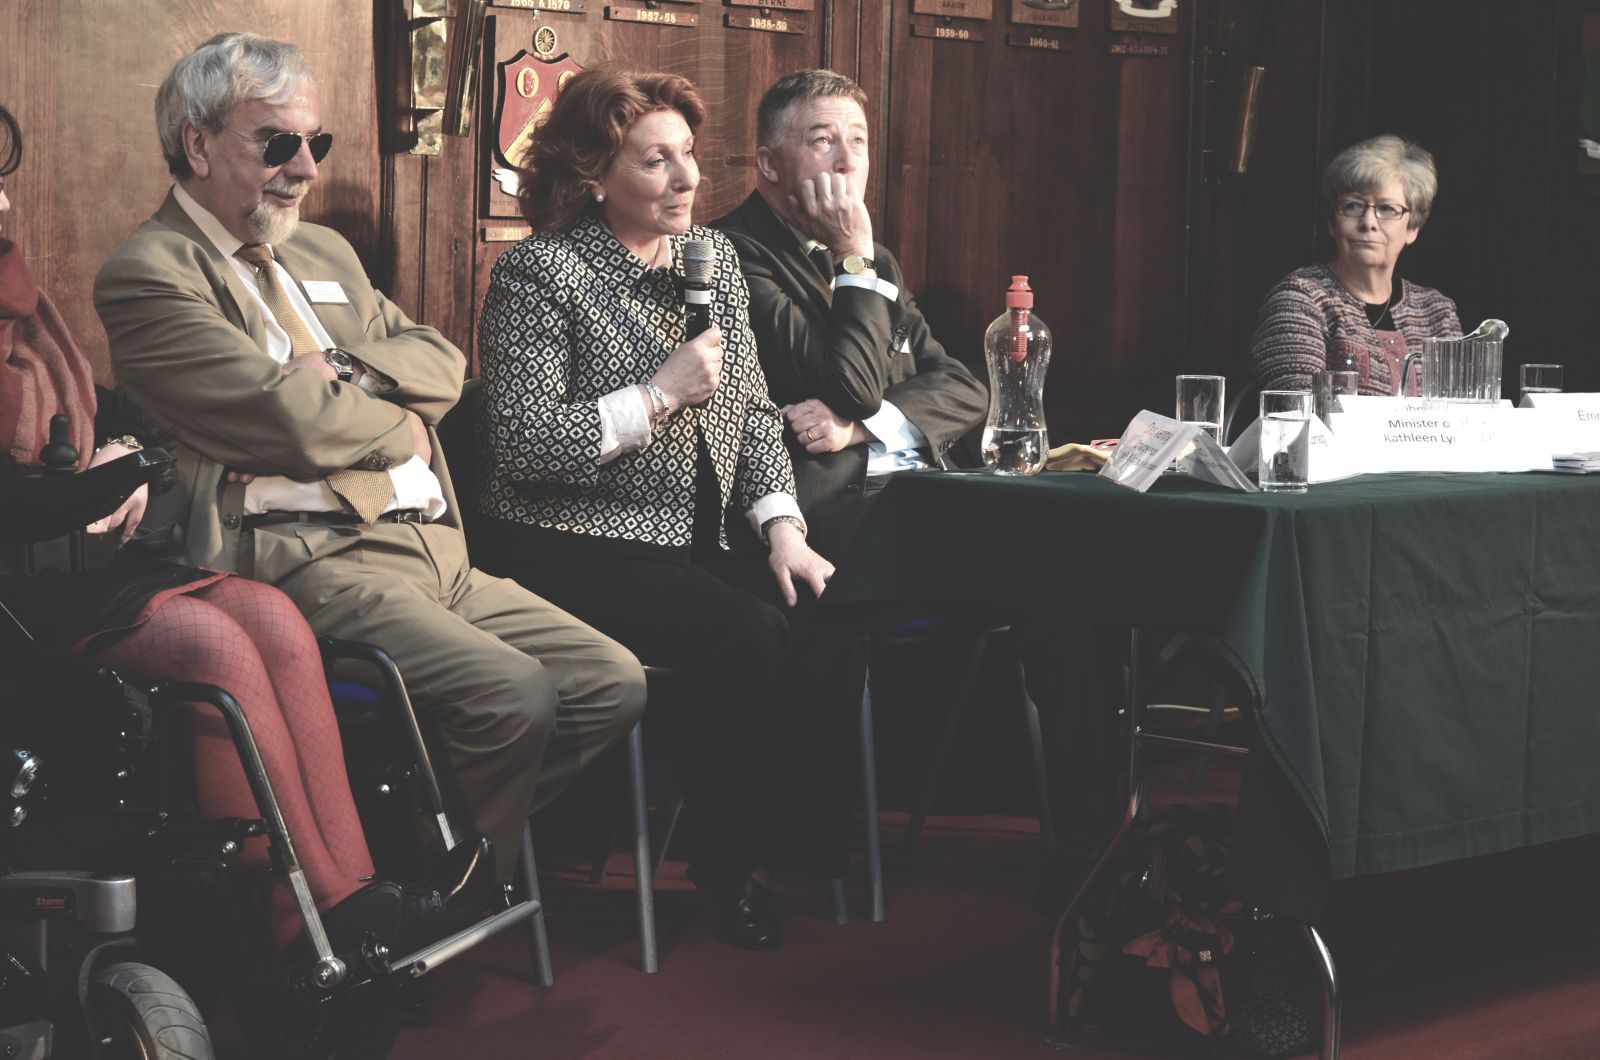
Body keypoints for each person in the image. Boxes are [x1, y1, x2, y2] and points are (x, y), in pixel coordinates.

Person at [92, 34, 646, 887]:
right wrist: (401, 429)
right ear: (197, 144)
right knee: (515, 695)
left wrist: (344, 372)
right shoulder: (150, 273)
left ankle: (425, 856)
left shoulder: (323, 254)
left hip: (432, 550)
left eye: (318, 144)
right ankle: (449, 888)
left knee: (611, 682)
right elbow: (293, 423)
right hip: (303, 562)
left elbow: (446, 366)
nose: (304, 168)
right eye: (277, 142)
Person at [0, 100, 460, 956]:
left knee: (270, 617)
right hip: (16, 580)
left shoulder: (15, 296)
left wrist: (127, 449)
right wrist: (115, 474)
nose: (0, 206)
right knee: (212, 644)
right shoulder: (142, 268)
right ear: (198, 147)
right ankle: (301, 920)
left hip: (49, 565)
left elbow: (104, 415)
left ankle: (359, 900)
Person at [473, 68, 842, 952]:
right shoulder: (539, 272)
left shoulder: (709, 264)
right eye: (654, 162)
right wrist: (657, 395)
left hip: (685, 535)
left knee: (817, 605)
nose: (685, 182)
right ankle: (731, 869)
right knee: (742, 635)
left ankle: (790, 845)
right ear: (595, 174)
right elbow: (524, 441)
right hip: (562, 543)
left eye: (686, 158)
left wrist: (785, 531)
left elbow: (753, 414)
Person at [712, 69, 986, 563]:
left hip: (930, 484)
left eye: (857, 141)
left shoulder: (875, 257)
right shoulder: (732, 251)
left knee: (1060, 541)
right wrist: (852, 251)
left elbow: (964, 388)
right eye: (823, 141)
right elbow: (852, 390)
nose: (846, 162)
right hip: (835, 512)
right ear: (770, 165)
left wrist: (860, 428)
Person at [1250, 134, 1462, 397]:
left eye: (1387, 209)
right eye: (1352, 206)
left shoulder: (1437, 312)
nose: (1368, 222)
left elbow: (1460, 417)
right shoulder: (1301, 300)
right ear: (1332, 223)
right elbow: (1297, 418)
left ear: (1413, 227)